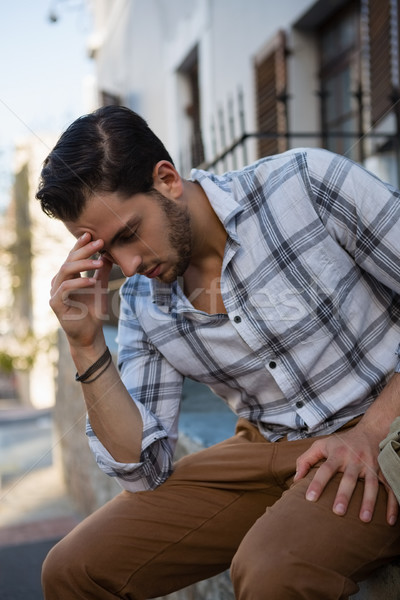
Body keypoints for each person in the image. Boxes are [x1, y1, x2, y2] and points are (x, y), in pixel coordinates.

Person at [36, 104, 400, 600]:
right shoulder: (144, 301)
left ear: (166, 179)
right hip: (267, 449)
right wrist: (86, 344)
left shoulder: (307, 184)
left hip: (383, 425)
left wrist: (370, 431)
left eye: (128, 234)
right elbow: (144, 469)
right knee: (73, 569)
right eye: (106, 252)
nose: (129, 263)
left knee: (272, 571)